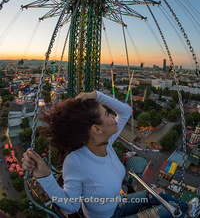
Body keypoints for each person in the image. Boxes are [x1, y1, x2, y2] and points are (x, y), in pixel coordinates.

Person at [22, 91, 200, 218]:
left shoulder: (106, 142)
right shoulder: (76, 161)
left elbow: (125, 111)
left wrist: (97, 95)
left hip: (117, 205)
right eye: (107, 114)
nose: (114, 118)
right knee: (167, 211)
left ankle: (188, 209)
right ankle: (184, 212)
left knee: (159, 193)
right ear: (97, 129)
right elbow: (72, 206)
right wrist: (45, 177)